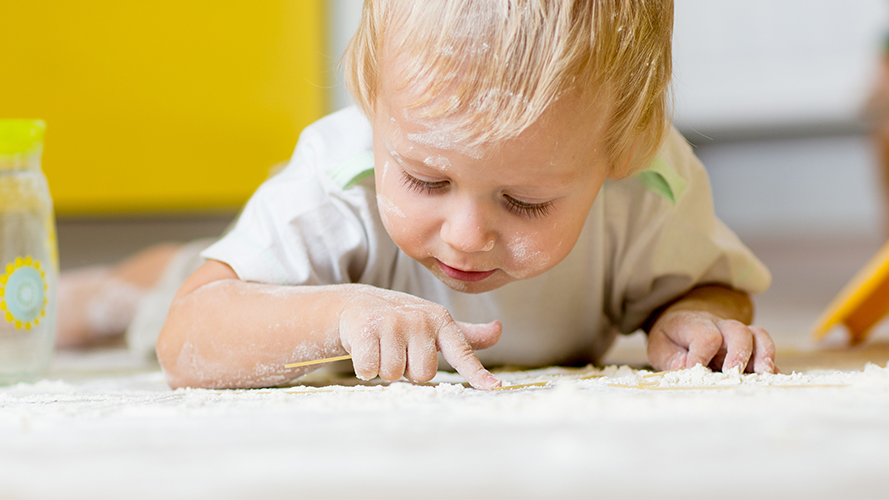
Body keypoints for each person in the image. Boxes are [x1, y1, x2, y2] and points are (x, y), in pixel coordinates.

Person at [64, 0, 777, 390]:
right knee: (148, 292)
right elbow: (189, 338)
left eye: (525, 200)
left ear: (622, 149)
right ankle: (105, 286)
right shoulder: (333, 183)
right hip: (273, 284)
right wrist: (341, 315)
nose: (466, 234)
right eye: (426, 181)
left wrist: (697, 318)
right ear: (373, 104)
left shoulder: (650, 185)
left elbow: (711, 286)